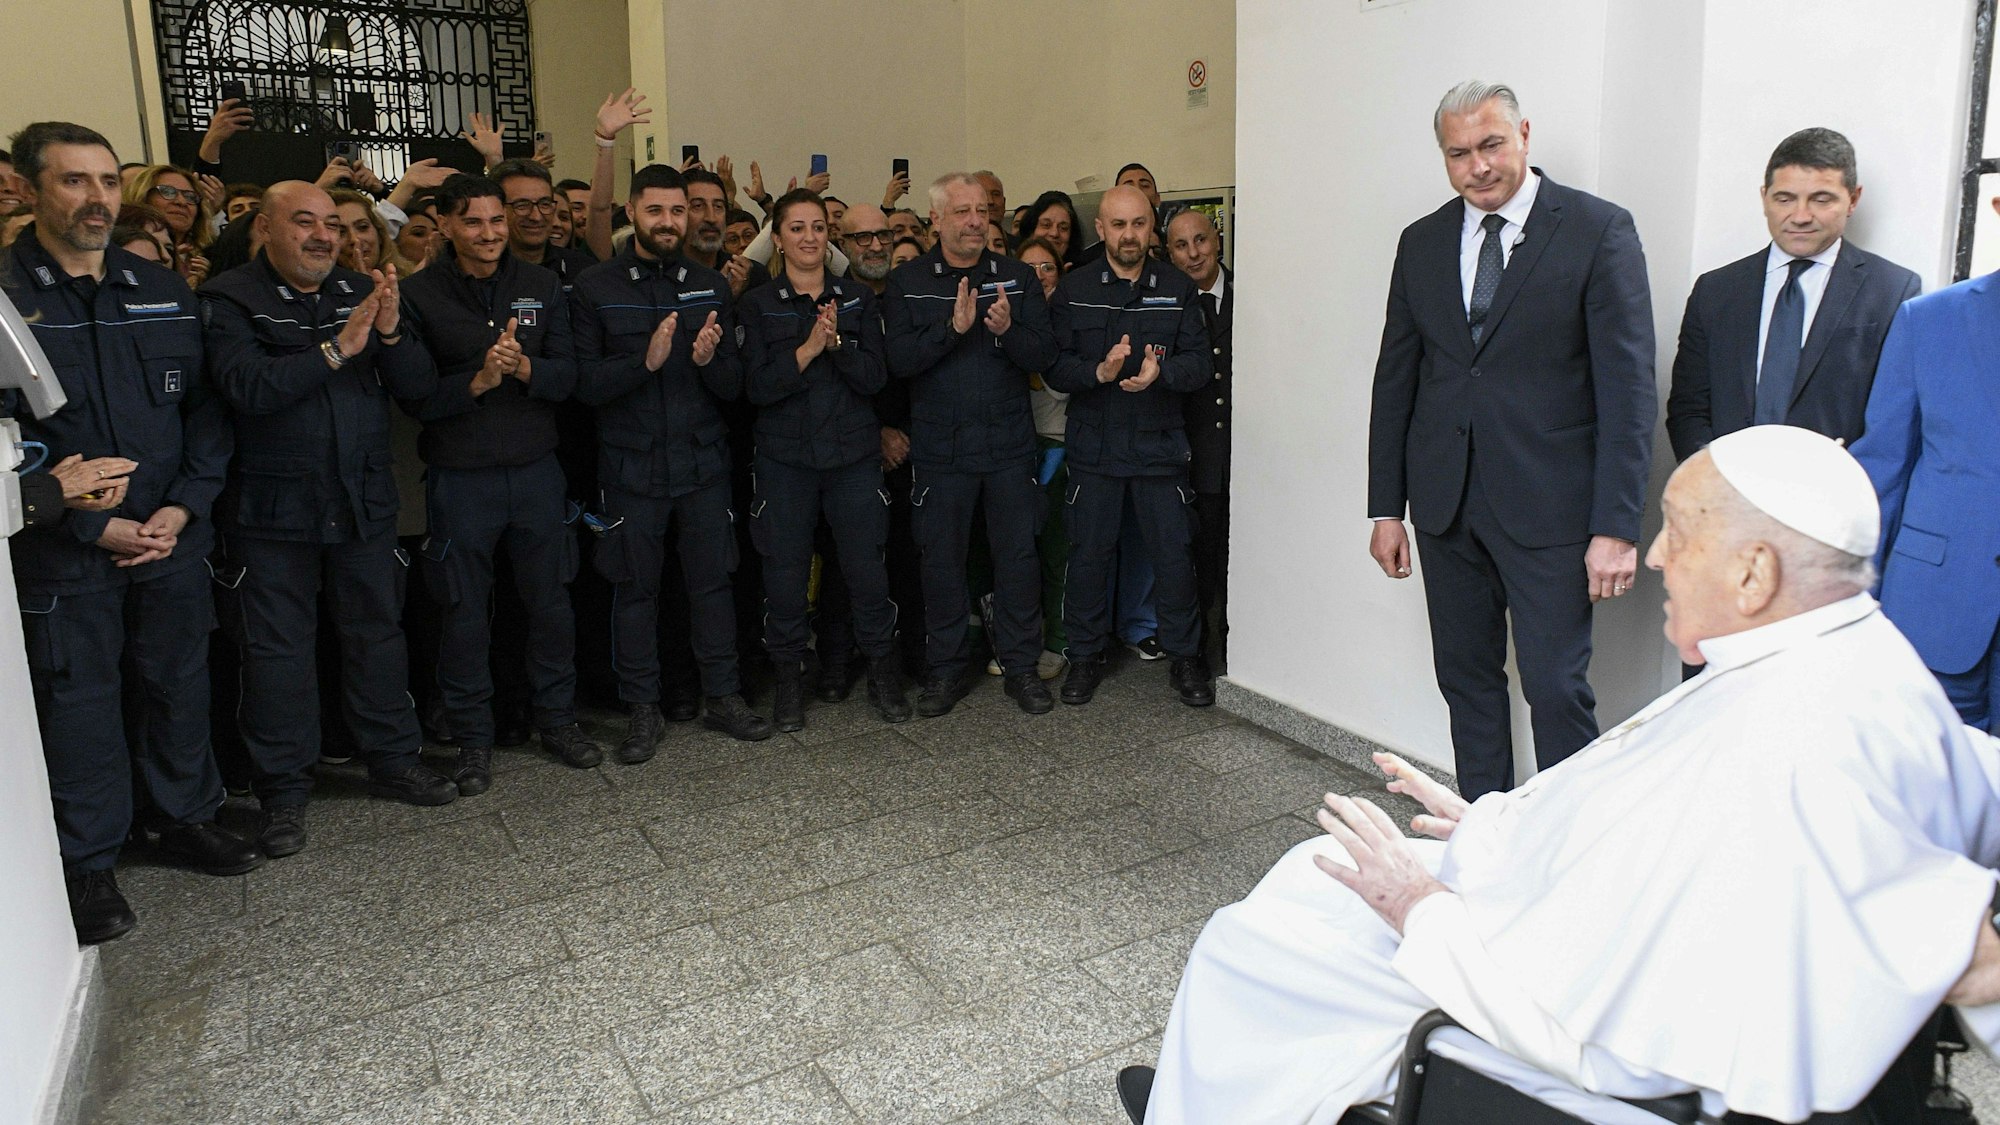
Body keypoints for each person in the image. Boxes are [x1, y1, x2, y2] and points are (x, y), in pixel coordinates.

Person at [1141, 426, 2000, 1124]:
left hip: (1573, 1023)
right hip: (1573, 930)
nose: (1658, 555)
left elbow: (1599, 1035)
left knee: (1253, 944)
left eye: (1680, 529)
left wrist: (1419, 908)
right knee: (1306, 880)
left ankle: (1210, 1098)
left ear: (1754, 573)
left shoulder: (1798, 742)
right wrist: (1497, 829)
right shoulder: (1857, 654)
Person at [3, 121, 257, 944]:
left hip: (169, 536)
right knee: (79, 703)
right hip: (66, 552)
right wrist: (94, 526)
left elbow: (205, 415)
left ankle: (184, 817)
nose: (97, 199)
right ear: (31, 187)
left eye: (108, 181)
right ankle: (87, 860)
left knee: (177, 681)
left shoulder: (161, 288)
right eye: (75, 181)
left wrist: (184, 506)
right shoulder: (6, 299)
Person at [1366, 80, 1656, 799]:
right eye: (1458, 153)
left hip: (1552, 509)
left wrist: (1616, 525)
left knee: (1557, 687)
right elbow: (1397, 378)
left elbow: (1630, 390)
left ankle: (1568, 850)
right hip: (1445, 503)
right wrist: (1384, 507)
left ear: (1524, 133)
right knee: (1465, 681)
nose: (1479, 167)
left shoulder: (1597, 229)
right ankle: (1481, 832)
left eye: (1491, 144)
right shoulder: (1422, 241)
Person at [200, 182, 459, 856]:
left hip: (362, 498)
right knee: (278, 651)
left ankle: (393, 757)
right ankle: (283, 788)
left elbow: (414, 387)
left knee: (377, 633)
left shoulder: (358, 289)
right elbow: (247, 387)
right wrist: (336, 350)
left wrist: (394, 330)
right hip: (272, 508)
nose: (322, 236)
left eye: (331, 226)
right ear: (265, 226)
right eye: (304, 222)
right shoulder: (230, 298)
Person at [397, 174, 604, 790]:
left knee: (551, 604)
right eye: (474, 222)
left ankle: (559, 720)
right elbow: (414, 396)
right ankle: (472, 739)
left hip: (538, 472)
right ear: (448, 226)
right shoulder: (420, 295)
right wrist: (479, 382)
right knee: (462, 613)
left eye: (495, 220)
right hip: (462, 480)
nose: (489, 233)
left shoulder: (540, 285)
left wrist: (526, 367)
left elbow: (569, 377)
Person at [569, 164, 774, 752]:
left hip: (702, 464)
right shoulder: (597, 286)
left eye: (678, 211)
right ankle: (642, 707)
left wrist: (711, 362)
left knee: (713, 583)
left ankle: (724, 696)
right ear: (632, 212)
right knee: (635, 589)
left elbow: (735, 388)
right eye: (655, 211)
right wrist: (646, 363)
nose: (668, 222)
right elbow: (584, 386)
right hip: (632, 469)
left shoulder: (710, 285)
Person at [884, 172, 1058, 717]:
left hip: (1006, 447)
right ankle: (946, 672)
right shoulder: (908, 281)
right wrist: (952, 330)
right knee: (942, 563)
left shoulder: (1016, 278)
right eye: (962, 212)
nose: (976, 220)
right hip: (941, 451)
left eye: (982, 210)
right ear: (935, 219)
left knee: (1017, 559)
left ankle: (1022, 669)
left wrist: (1007, 330)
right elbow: (899, 362)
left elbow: (1043, 355)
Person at [738, 189, 913, 729]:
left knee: (866, 570)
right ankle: (789, 680)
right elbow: (756, 388)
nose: (810, 237)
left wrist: (837, 347)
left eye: (818, 227)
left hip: (851, 458)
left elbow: (875, 379)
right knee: (786, 575)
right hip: (786, 461)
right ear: (780, 238)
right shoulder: (757, 303)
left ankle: (883, 672)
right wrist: (809, 348)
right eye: (797, 228)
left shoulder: (857, 299)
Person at [1046, 185, 1215, 708]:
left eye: (1139, 224)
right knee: (1090, 556)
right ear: (1100, 229)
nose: (1129, 235)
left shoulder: (1176, 286)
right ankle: (1085, 656)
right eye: (1118, 225)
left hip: (1159, 448)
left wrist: (1160, 372)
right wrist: (1098, 371)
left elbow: (1199, 364)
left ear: (1152, 228)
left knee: (1173, 557)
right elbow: (1054, 365)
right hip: (1095, 448)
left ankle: (1186, 658)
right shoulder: (1072, 290)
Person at [1666, 128, 1920, 459]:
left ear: (1853, 200)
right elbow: (1689, 407)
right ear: (1764, 197)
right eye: (1784, 199)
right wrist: (1713, 482)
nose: (1800, 216)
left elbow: (1892, 424)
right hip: (1723, 494)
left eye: (1821, 199)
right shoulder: (1715, 291)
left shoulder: (1893, 290)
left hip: (1834, 497)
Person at [1851, 195, 2000, 731]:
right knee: (1919, 799)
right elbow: (1882, 470)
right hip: (1931, 609)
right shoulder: (1928, 320)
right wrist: (1855, 606)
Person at [1166, 208, 1232, 668]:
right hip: (1194, 458)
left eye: (1201, 241)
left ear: (1218, 241)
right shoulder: (1165, 302)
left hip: (1250, 456)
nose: (1194, 254)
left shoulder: (1257, 293)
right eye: (1181, 246)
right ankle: (1201, 653)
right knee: (1200, 560)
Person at [1017, 236, 1072, 680]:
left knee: (1057, 550)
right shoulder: (1004, 318)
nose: (1038, 276)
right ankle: (1016, 639)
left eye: (1047, 267)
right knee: (1017, 551)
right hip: (1012, 448)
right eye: (1028, 268)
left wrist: (1034, 369)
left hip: (1056, 445)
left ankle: (1058, 641)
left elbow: (1066, 383)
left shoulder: (1071, 320)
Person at [490, 158, 594, 293]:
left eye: (544, 204)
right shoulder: (482, 271)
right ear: (497, 209)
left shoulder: (584, 271)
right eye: (522, 205)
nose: (536, 216)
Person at [683, 168, 769, 300]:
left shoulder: (751, 274)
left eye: (718, 206)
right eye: (698, 206)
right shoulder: (662, 274)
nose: (711, 218)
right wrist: (722, 295)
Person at [1021, 190, 1085, 271]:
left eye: (1063, 228)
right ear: (1031, 229)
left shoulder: (1083, 273)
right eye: (1046, 225)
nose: (1054, 233)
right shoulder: (1015, 270)